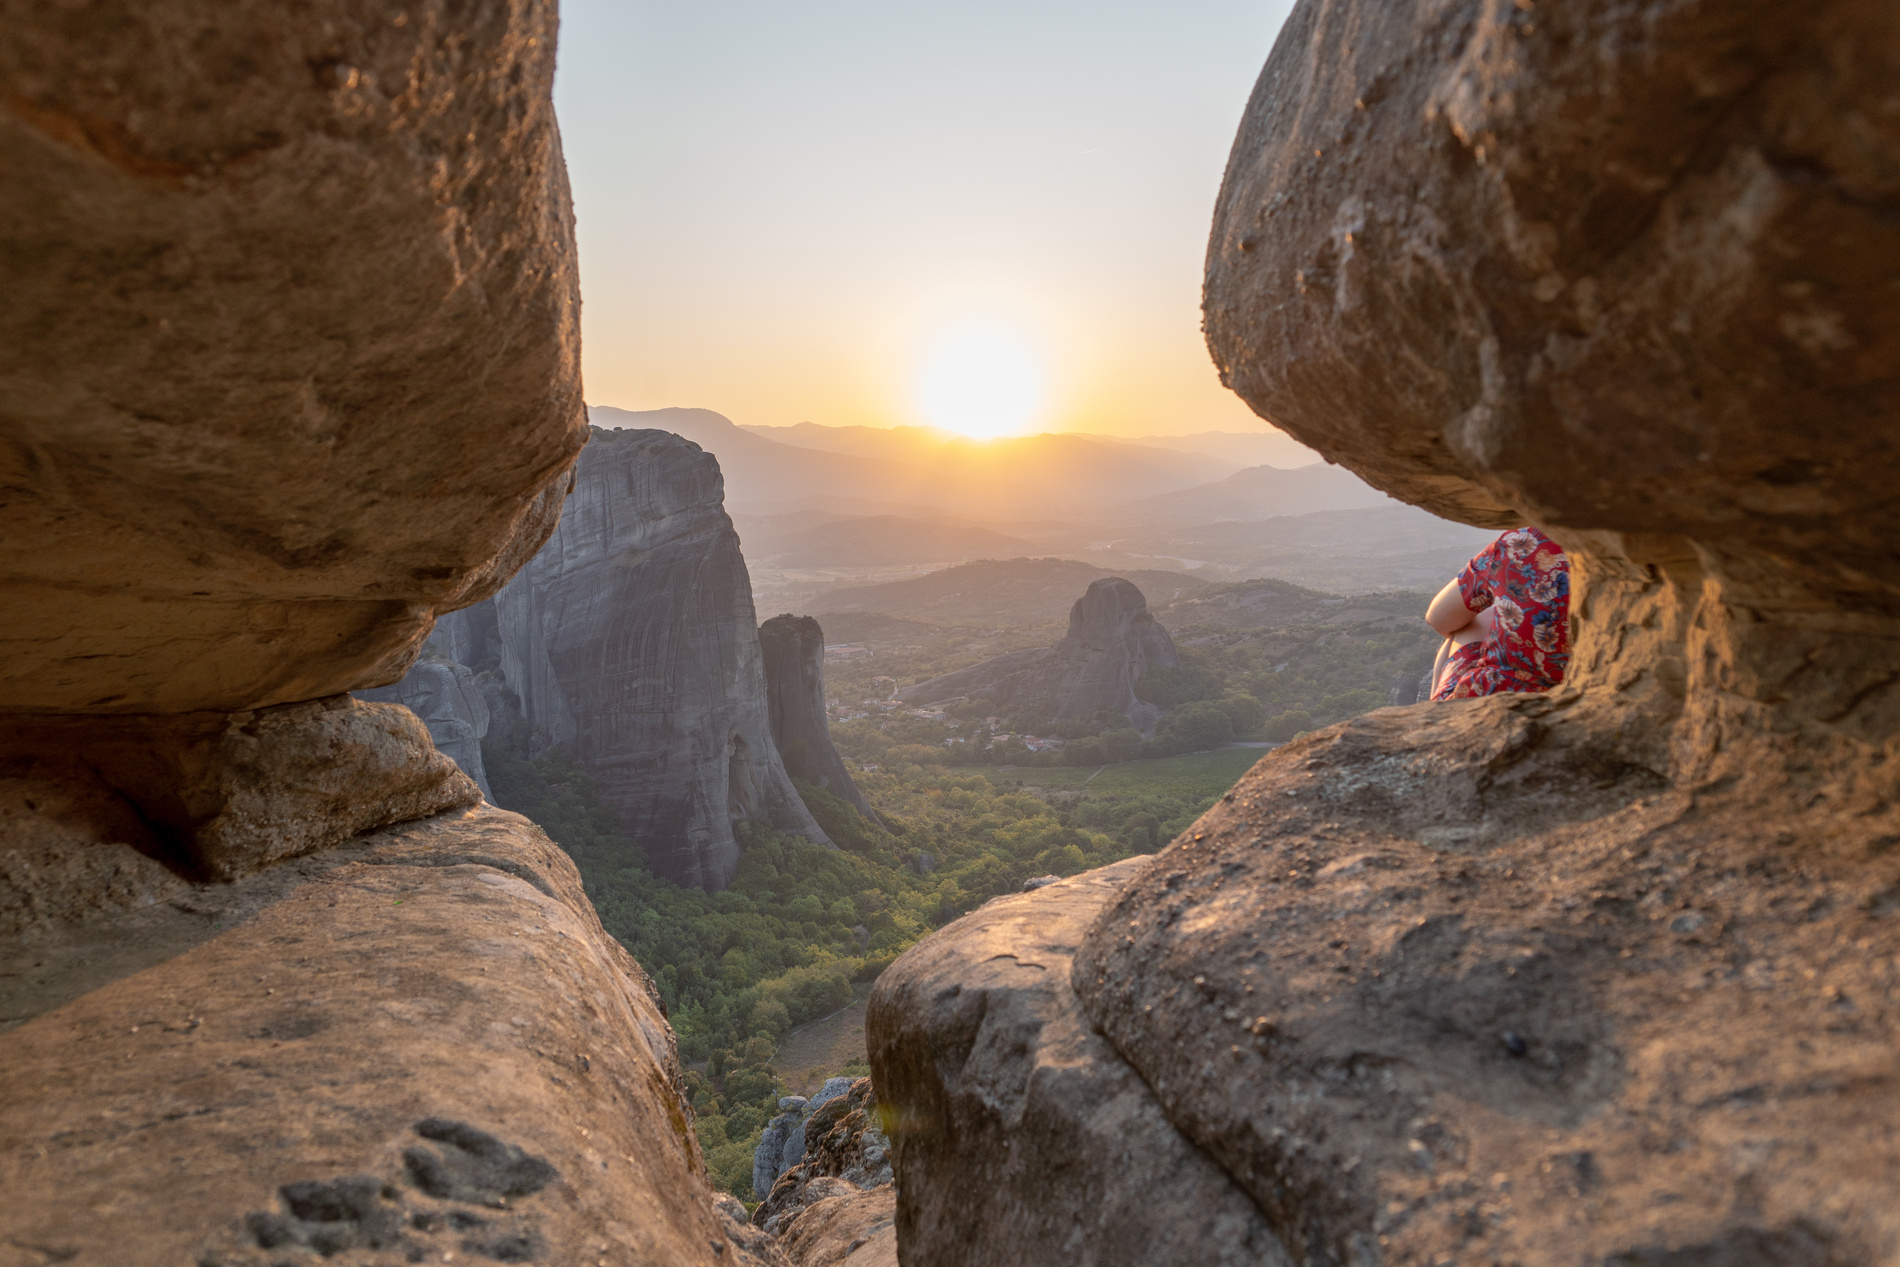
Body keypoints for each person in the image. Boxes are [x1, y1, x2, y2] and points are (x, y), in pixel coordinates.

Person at [1425, 526, 1570, 700]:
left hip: (1493, 694)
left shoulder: (1523, 542)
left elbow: (1439, 618)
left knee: (1477, 618)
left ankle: (1438, 708)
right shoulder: (1600, 555)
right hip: (1580, 698)